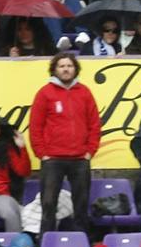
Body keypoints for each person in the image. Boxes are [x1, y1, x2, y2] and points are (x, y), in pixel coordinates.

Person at [29, 52, 101, 237]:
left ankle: (82, 243)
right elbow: (35, 126)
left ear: (75, 69)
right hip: (52, 159)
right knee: (48, 204)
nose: (66, 69)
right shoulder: (45, 93)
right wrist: (42, 153)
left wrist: (89, 151)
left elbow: (94, 124)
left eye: (69, 65)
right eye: (61, 66)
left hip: (80, 159)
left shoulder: (84, 92)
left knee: (81, 204)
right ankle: (45, 244)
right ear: (54, 69)